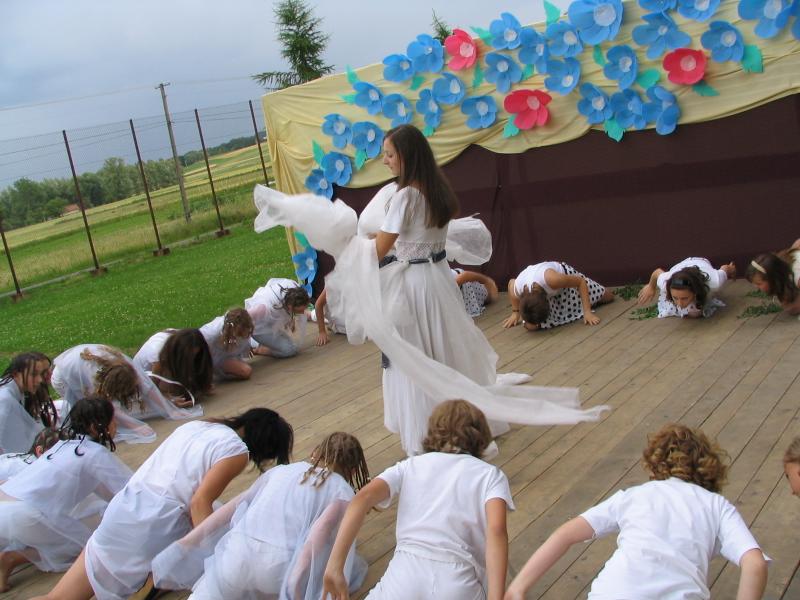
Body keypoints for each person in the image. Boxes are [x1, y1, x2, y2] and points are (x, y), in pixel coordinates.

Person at [253, 125, 607, 458]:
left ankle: (430, 429)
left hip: (416, 285)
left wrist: (347, 244)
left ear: (406, 156)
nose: (385, 160)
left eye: (389, 154)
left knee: (417, 356)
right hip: (438, 278)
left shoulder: (405, 197)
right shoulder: (438, 189)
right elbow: (417, 238)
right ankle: (466, 424)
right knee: (447, 350)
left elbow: (379, 251)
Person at [33, 407, 294, 600]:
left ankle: (155, 580)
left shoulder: (197, 426)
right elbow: (199, 503)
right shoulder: (236, 451)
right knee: (216, 539)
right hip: (154, 525)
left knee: (59, 596)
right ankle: (156, 579)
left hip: (124, 506)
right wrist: (216, 560)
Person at [504, 423, 769, 600]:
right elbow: (754, 563)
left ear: (655, 465)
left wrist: (518, 587)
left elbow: (565, 534)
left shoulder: (635, 496)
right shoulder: (717, 506)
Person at [323, 400, 513, 600]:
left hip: (405, 572)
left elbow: (362, 499)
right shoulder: (490, 475)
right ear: (481, 435)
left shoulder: (411, 465)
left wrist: (335, 565)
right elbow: (496, 531)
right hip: (459, 578)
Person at [153, 431, 370, 599]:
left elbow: (233, 506)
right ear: (352, 471)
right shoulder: (342, 491)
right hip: (278, 568)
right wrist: (293, 585)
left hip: (237, 555)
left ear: (316, 453)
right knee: (348, 568)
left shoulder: (281, 471)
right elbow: (318, 535)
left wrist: (188, 541)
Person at [0, 396, 132, 593]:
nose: (116, 425)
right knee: (92, 550)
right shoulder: (93, 452)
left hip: (5, 504)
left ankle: (12, 558)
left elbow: (108, 492)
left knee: (74, 538)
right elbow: (129, 490)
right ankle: (12, 557)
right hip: (25, 513)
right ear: (96, 426)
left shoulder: (62, 446)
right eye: (112, 420)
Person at [51, 344, 201, 444]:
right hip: (63, 377)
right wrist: (134, 427)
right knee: (89, 410)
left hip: (79, 364)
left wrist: (169, 409)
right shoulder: (92, 375)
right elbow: (104, 404)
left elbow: (147, 386)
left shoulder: (123, 364)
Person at [503, 262, 614, 330]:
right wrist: (515, 312)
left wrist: (587, 312)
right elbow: (511, 283)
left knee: (608, 296)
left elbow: (580, 282)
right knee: (531, 326)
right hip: (544, 293)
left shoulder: (554, 279)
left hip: (567, 285)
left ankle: (585, 304)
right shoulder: (517, 287)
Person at [637, 257, 736, 318]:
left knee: (697, 312)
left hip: (701, 261)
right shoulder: (665, 281)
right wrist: (651, 286)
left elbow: (724, 269)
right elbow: (657, 272)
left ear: (695, 291)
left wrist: (731, 269)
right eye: (675, 298)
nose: (679, 304)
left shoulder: (714, 281)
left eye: (684, 298)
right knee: (691, 313)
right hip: (679, 267)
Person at [133, 328, 213, 404]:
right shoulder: (158, 357)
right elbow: (152, 389)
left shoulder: (183, 338)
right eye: (188, 356)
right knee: (176, 390)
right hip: (141, 377)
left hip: (165, 360)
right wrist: (169, 401)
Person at [0, 352, 57, 453]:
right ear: (15, 374)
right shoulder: (5, 400)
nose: (40, 380)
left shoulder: (18, 391)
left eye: (40, 374)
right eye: (34, 374)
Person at [245, 278, 311, 358]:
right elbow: (241, 319)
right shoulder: (262, 308)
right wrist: (245, 342)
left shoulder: (293, 288)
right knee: (289, 349)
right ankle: (257, 348)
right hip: (258, 328)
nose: (302, 312)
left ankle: (258, 342)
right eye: (299, 311)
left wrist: (291, 319)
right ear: (290, 306)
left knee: (290, 346)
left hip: (269, 321)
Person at [199, 307, 270, 381]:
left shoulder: (245, 326)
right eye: (240, 334)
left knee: (246, 369)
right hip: (215, 358)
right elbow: (197, 343)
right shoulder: (211, 333)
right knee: (245, 371)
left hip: (230, 355)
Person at [746, 239, 800, 315]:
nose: (756, 287)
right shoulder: (779, 262)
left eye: (759, 283)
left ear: (773, 278)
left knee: (792, 308)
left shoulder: (797, 277)